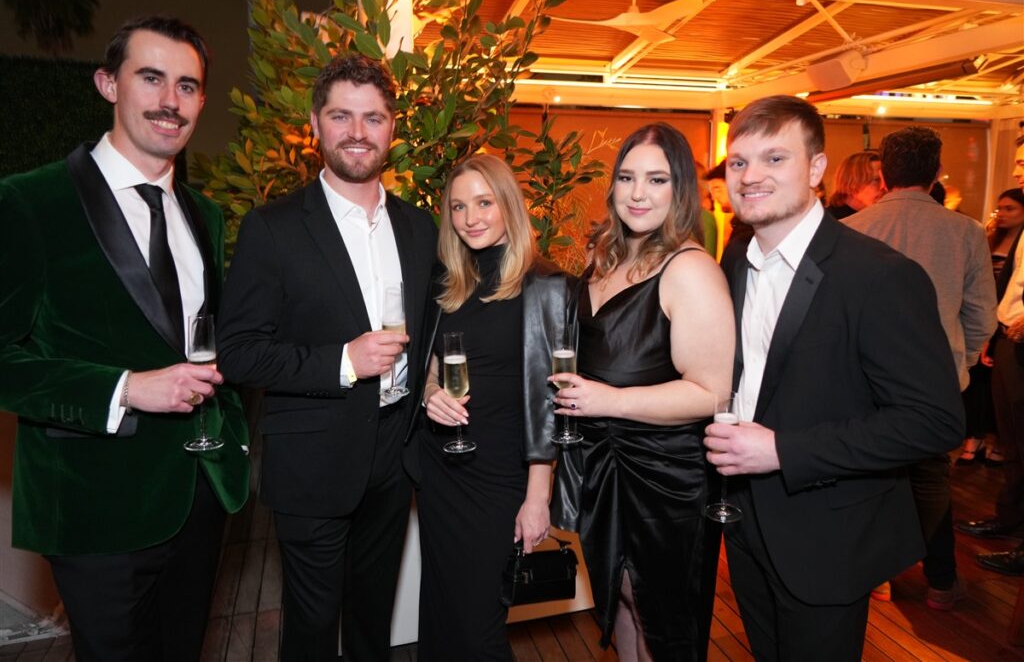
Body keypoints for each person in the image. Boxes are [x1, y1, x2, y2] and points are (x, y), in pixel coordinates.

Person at [0, 16, 250, 661]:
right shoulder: (30, 202)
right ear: (108, 84)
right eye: (151, 78)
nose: (170, 101)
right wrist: (125, 388)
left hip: (199, 494)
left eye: (187, 86)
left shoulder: (205, 214)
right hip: (94, 505)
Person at [703, 95, 963, 660]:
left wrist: (784, 450)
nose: (750, 176)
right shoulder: (736, 260)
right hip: (745, 523)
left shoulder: (880, 275)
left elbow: (934, 421)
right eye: (740, 162)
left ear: (817, 168)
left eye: (775, 159)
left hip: (828, 534)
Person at [217, 54, 437, 660]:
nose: (357, 132)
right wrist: (343, 361)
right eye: (341, 116)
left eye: (373, 118)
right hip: (312, 462)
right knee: (312, 631)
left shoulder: (420, 229)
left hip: (395, 456)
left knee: (373, 622)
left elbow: (437, 330)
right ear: (315, 124)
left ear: (392, 128)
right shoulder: (273, 228)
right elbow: (238, 354)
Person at [551, 123, 734, 661]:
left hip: (662, 475)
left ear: (681, 189)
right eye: (627, 177)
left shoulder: (690, 269)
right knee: (624, 598)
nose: (638, 193)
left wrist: (608, 401)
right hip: (602, 465)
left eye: (657, 179)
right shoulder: (606, 259)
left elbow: (712, 392)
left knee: (661, 613)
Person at [417, 154, 570, 659]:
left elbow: (554, 401)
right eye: (459, 207)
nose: (471, 218)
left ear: (509, 204)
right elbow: (429, 369)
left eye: (484, 203)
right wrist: (431, 395)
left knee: (479, 627)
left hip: (502, 477)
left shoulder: (547, 285)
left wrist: (537, 496)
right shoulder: (447, 283)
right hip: (443, 471)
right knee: (441, 614)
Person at [845, 125, 996, 610]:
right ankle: (941, 583)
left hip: (863, 379)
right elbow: (982, 316)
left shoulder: (852, 229)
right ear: (937, 173)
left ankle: (878, 579)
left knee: (871, 479)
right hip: (936, 379)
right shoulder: (966, 231)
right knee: (931, 482)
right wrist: (958, 363)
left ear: (883, 175)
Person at [957, 138, 1024, 576]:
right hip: (1009, 335)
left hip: (1019, 335)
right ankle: (1010, 520)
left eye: (1023, 161)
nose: (1017, 170)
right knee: (1013, 438)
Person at [959, 187, 1024, 465]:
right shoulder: (992, 237)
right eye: (1001, 208)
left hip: (1013, 326)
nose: (1003, 214)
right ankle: (977, 438)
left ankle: (996, 445)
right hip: (998, 320)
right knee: (993, 397)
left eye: (1010, 208)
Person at [825, 150, 882, 220]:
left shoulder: (877, 215)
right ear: (852, 183)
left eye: (884, 180)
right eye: (876, 180)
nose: (883, 186)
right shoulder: (828, 221)